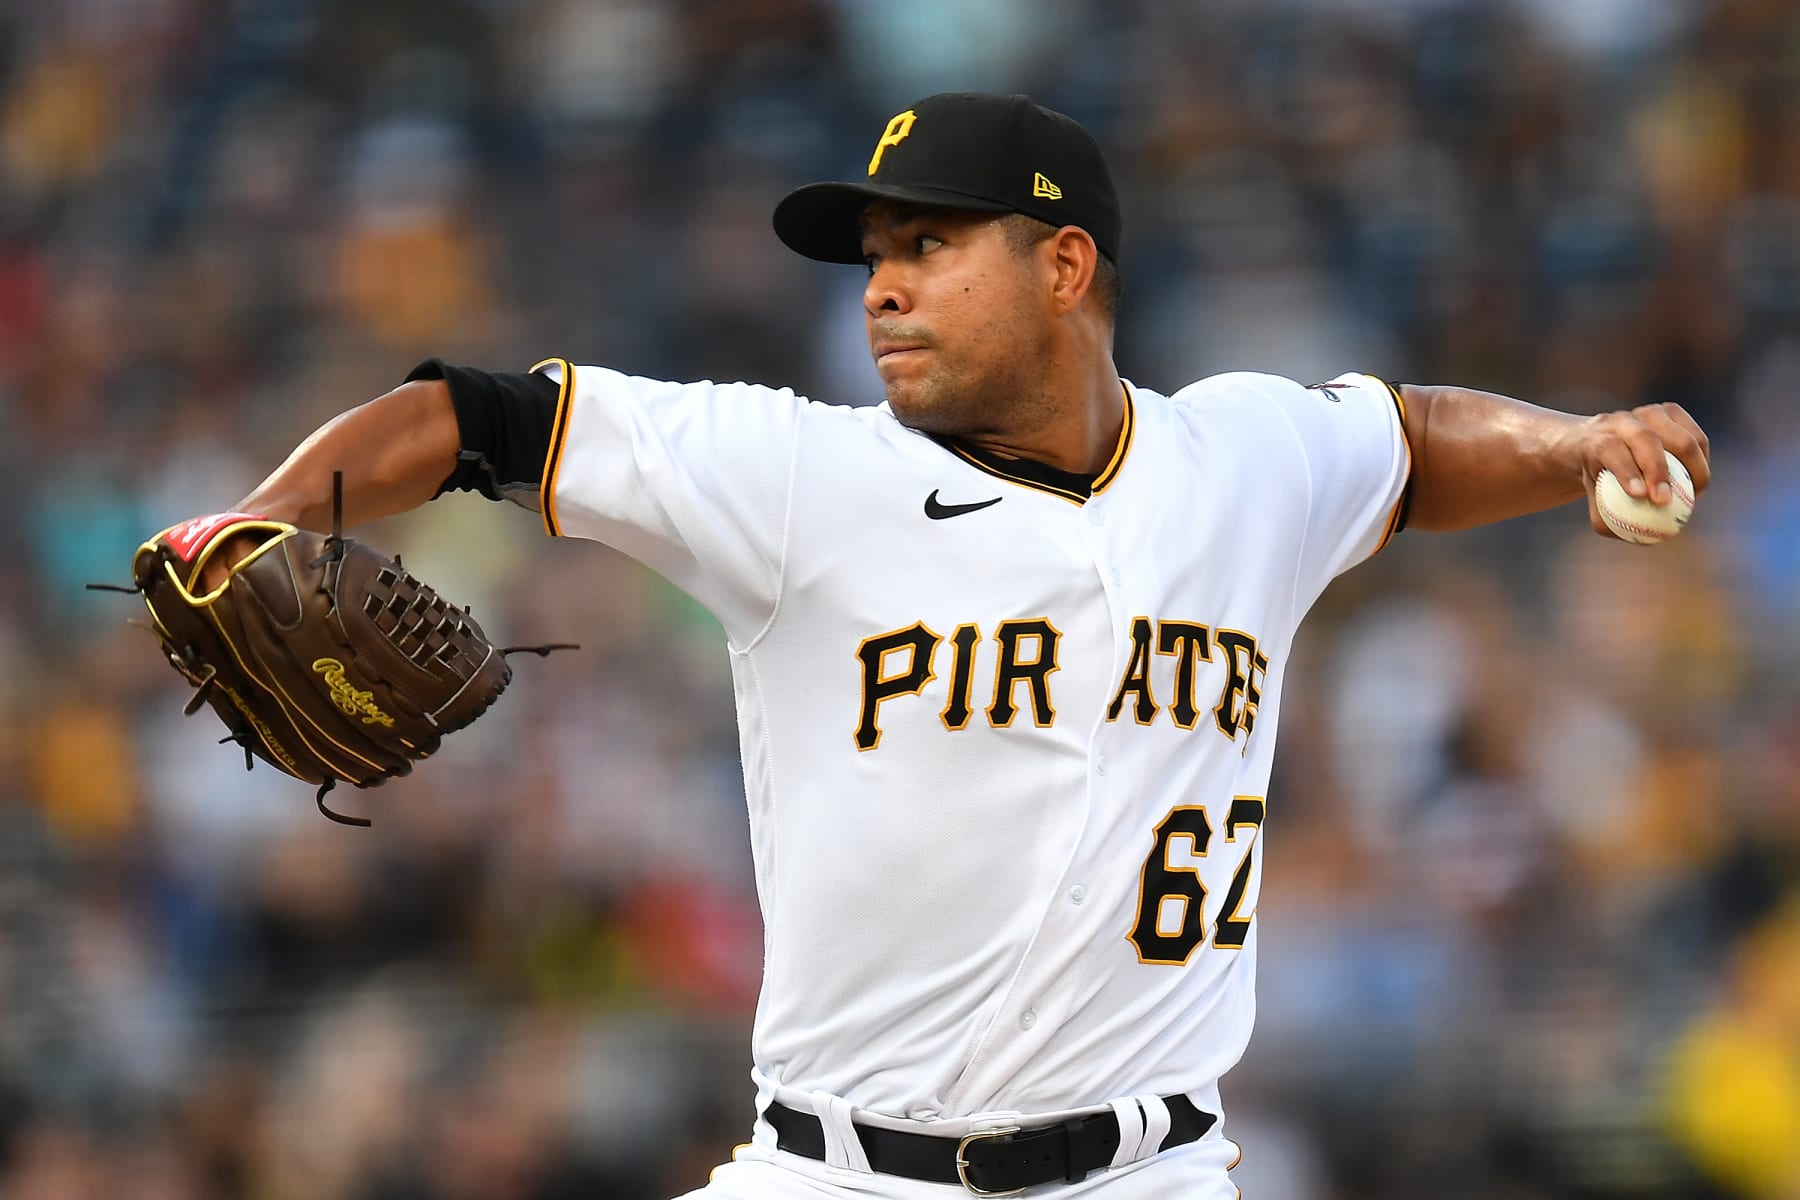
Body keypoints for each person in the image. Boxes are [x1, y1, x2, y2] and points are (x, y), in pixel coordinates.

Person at [206, 93, 1711, 1198]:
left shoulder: (1245, 460)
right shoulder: (794, 473)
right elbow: (473, 415)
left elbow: (1411, 443)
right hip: (836, 1174)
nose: (880, 284)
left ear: (1065, 268)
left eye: (928, 243)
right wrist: (255, 520)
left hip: (1150, 1173)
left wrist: (1576, 441)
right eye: (873, 250)